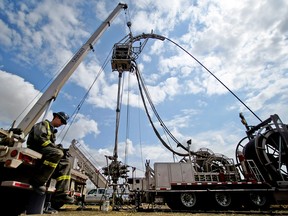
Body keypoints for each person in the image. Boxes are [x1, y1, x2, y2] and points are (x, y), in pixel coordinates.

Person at [27, 111, 73, 204]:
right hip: (37, 148)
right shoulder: (43, 124)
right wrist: (57, 149)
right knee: (57, 153)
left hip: (46, 150)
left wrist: (61, 149)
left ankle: (61, 193)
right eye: (62, 121)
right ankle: (38, 181)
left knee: (67, 162)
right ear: (56, 117)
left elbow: (51, 145)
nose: (61, 124)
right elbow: (40, 139)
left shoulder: (53, 131)